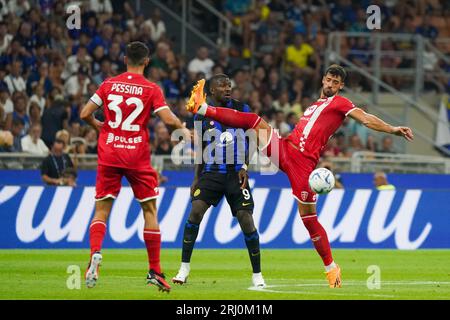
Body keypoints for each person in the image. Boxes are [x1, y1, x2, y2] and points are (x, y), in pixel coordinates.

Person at [186, 64, 414, 288]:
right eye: (328, 80)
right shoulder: (317, 104)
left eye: (336, 82)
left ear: (341, 86)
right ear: (323, 79)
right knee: (253, 120)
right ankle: (203, 108)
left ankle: (331, 267)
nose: (331, 84)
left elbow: (365, 118)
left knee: (308, 219)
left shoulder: (341, 103)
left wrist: (392, 129)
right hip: (285, 149)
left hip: (302, 165)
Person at [80, 41, 190, 292]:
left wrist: (100, 127)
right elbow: (168, 119)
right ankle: (155, 270)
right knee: (149, 210)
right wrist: (184, 128)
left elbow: (85, 113)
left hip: (109, 151)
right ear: (147, 61)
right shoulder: (150, 88)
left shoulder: (108, 84)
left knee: (101, 211)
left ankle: (95, 254)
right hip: (136, 155)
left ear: (124, 59)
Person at [172, 74, 266, 288]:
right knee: (195, 211)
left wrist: (244, 166)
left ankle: (257, 275)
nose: (227, 88)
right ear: (211, 91)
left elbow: (254, 139)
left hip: (236, 174)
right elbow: (200, 149)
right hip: (211, 173)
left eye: (229, 85)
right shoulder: (200, 116)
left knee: (246, 219)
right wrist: (196, 177)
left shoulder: (243, 109)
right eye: (222, 85)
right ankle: (184, 268)